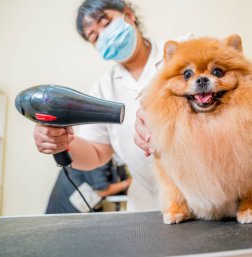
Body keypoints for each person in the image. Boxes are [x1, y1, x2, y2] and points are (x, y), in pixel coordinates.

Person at [33, 0, 191, 211]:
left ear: (128, 14)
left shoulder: (183, 50)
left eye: (106, 23)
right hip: (150, 205)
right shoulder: (103, 90)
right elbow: (96, 154)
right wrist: (61, 141)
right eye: (94, 36)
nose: (104, 35)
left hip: (211, 190)